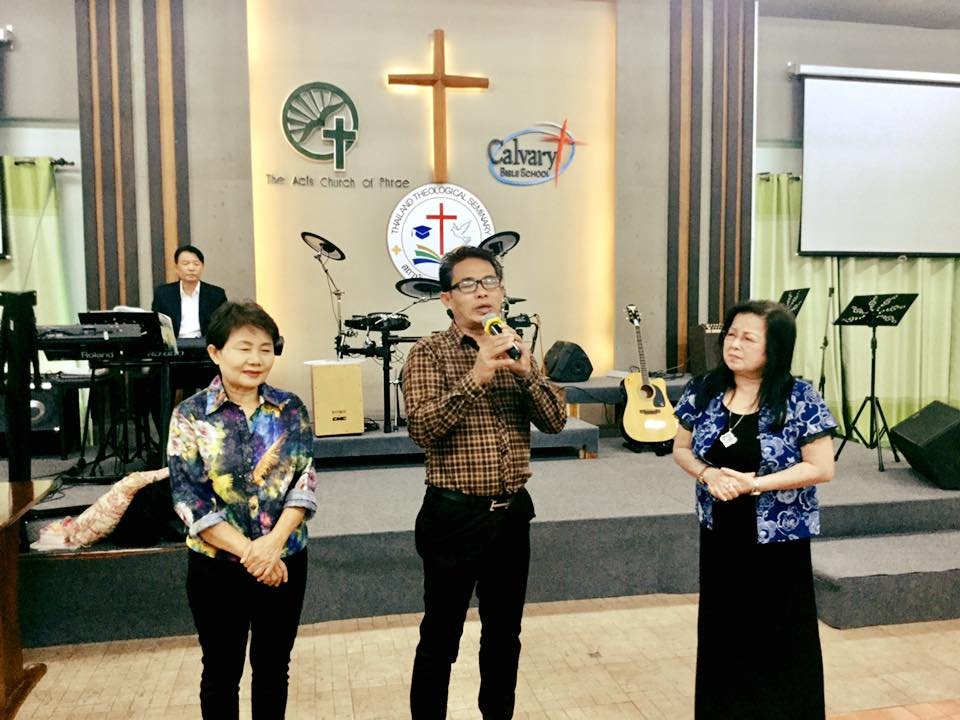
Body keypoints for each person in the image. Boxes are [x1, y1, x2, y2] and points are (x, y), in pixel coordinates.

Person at [402, 245, 567, 720]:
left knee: (504, 636)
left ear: (503, 291)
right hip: (453, 517)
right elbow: (423, 429)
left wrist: (527, 374)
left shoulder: (517, 347)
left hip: (511, 515)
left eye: (490, 282)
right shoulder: (428, 353)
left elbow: (556, 421)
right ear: (446, 298)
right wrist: (477, 375)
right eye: (468, 285)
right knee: (440, 637)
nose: (481, 292)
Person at [671, 299, 837, 720]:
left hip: (779, 539)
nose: (734, 345)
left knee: (780, 635)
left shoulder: (799, 397)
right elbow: (681, 449)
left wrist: (755, 485)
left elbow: (821, 468)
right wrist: (707, 474)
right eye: (731, 335)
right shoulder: (704, 389)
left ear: (774, 347)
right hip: (721, 534)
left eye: (748, 338)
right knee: (723, 631)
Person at [167, 301, 317, 719]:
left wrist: (273, 545)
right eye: (244, 348)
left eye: (265, 349)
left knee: (273, 669)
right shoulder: (190, 415)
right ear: (215, 352)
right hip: (217, 566)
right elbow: (188, 497)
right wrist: (254, 553)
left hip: (284, 559)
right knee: (221, 671)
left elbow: (303, 482)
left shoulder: (290, 409)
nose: (256, 359)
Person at [152, 244, 228, 338]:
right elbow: (156, 325)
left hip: (205, 344)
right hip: (174, 344)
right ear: (176, 268)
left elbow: (223, 326)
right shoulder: (163, 293)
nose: (191, 268)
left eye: (196, 264)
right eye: (185, 264)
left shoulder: (216, 295)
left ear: (202, 267)